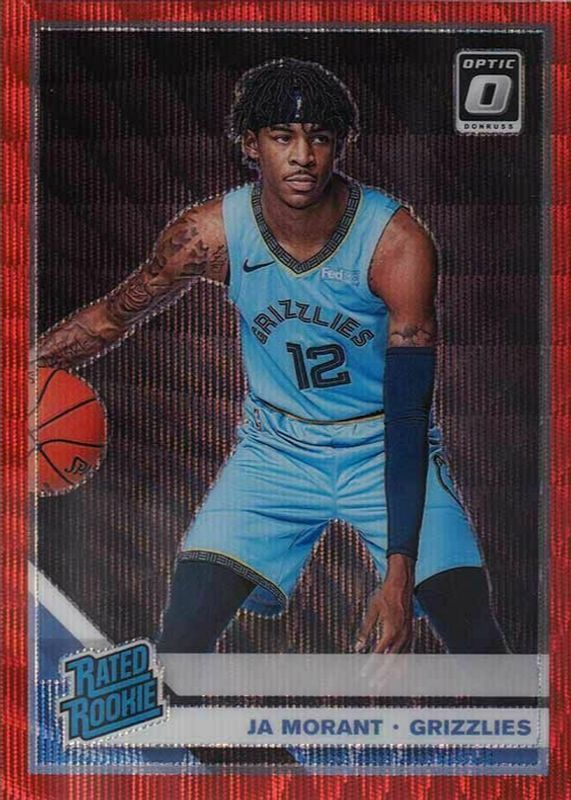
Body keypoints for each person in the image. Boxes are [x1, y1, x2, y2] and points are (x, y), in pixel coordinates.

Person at [37, 58, 508, 656]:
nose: (303, 156)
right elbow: (110, 317)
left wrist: (398, 576)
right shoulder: (209, 235)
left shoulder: (395, 243)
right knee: (182, 634)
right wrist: (22, 371)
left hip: (380, 444)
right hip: (276, 451)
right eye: (283, 137)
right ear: (250, 145)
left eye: (320, 138)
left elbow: (410, 414)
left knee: (472, 630)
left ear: (340, 146)